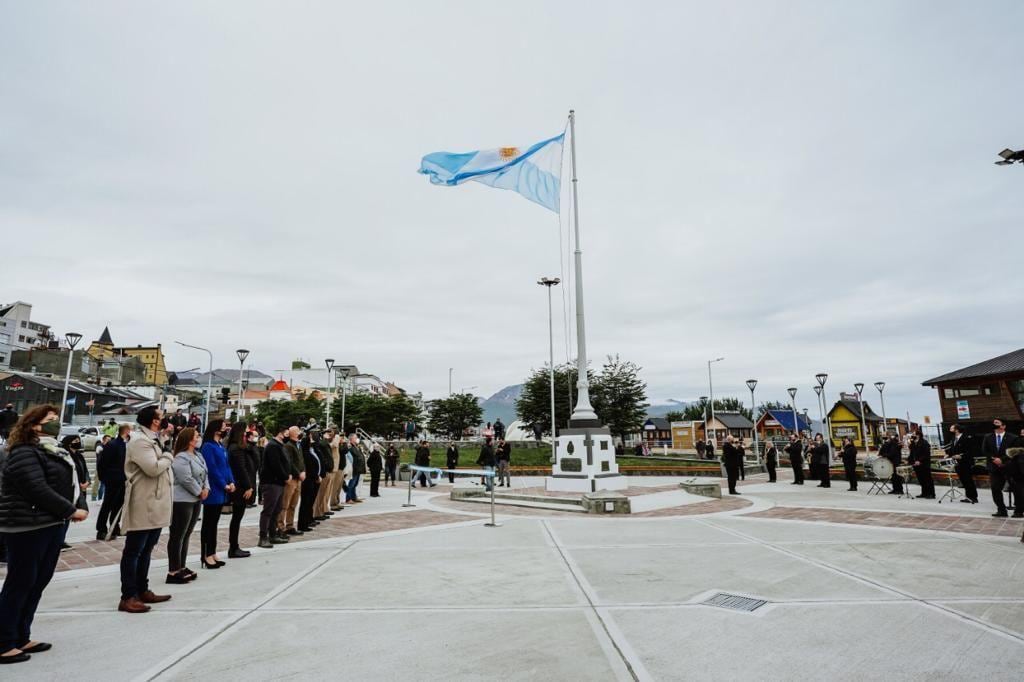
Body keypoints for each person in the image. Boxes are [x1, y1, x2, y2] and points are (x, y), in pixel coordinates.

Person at [0, 405, 89, 664]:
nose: (56, 424)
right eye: (51, 420)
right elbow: (35, 487)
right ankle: (3, 641)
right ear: (34, 425)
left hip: (50, 523)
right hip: (27, 526)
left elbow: (68, 483)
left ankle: (20, 635)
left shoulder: (52, 450)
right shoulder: (23, 452)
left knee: (37, 582)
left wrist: (79, 503)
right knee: (20, 583)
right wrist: (71, 510)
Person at [118, 405, 174, 613]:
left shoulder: (154, 439)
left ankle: (142, 589)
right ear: (154, 421)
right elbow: (152, 468)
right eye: (162, 417)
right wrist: (168, 455)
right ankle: (128, 595)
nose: (165, 419)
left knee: (147, 549)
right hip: (144, 501)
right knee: (134, 550)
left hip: (156, 501)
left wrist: (164, 448)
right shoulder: (140, 441)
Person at [166, 427, 207, 584]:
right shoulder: (181, 458)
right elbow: (185, 479)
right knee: (177, 535)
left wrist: (206, 489)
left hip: (196, 499)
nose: (199, 438)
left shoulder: (198, 455)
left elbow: (205, 474)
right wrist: (199, 491)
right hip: (182, 500)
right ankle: (173, 569)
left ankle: (182, 566)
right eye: (197, 436)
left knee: (186, 534)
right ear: (189, 440)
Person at [199, 419, 235, 568]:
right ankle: (206, 554)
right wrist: (223, 484)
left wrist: (232, 481)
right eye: (223, 427)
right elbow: (212, 469)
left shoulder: (221, 446)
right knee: (208, 523)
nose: (225, 429)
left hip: (223, 489)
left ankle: (212, 551)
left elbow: (226, 466)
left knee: (214, 523)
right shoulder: (208, 446)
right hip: (214, 489)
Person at [226, 422, 255, 559]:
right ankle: (233, 547)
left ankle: (234, 546)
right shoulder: (236, 448)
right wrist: (249, 486)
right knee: (237, 518)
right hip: (240, 488)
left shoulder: (236, 447)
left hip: (239, 486)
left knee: (237, 518)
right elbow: (241, 469)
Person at [257, 424, 290, 548]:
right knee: (268, 510)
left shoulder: (279, 446)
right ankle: (263, 537)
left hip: (279, 482)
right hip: (272, 482)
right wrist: (285, 476)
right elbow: (276, 465)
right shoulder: (272, 446)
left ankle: (273, 534)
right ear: (280, 433)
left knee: (276, 509)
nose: (288, 435)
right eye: (286, 432)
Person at [96, 423, 129, 540]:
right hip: (112, 480)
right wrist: (103, 478)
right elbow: (102, 463)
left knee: (118, 505)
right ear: (126, 432)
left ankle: (114, 527)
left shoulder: (125, 445)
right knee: (107, 505)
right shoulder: (113, 444)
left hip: (122, 480)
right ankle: (101, 529)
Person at [981, 418, 1020, 517]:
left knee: (1017, 489)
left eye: (997, 423)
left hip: (1010, 467)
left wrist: (1002, 460)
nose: (994, 424)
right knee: (995, 488)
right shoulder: (988, 437)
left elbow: (1015, 451)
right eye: (993, 423)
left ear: (1003, 426)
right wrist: (994, 459)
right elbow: (985, 450)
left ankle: (1019, 511)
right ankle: (1001, 510)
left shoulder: (1013, 438)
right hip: (994, 467)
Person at [278, 426, 305, 535]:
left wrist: (304, 471)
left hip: (299, 478)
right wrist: (298, 473)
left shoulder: (299, 445)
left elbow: (301, 460)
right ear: (292, 433)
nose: (300, 433)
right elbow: (290, 462)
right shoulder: (288, 446)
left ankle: (290, 525)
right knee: (285, 503)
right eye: (298, 431)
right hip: (292, 478)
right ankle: (280, 526)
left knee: (293, 504)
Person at [945, 424, 977, 504]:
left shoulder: (966, 438)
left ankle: (973, 497)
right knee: (963, 480)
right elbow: (952, 449)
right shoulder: (953, 438)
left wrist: (961, 456)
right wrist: (948, 454)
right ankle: (968, 496)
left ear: (956, 430)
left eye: (951, 428)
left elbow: (971, 450)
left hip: (965, 462)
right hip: (957, 463)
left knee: (968, 480)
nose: (949, 430)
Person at [298, 432, 322, 532]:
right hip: (308, 480)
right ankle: (302, 524)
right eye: (310, 441)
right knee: (305, 502)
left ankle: (307, 520)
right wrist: (316, 476)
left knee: (309, 502)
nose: (312, 442)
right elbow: (310, 467)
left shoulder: (311, 451)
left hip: (313, 480)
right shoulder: (305, 453)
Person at [312, 429, 335, 519]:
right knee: (320, 494)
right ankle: (317, 512)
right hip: (324, 470)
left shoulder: (325, 444)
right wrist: (324, 438)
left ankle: (321, 511)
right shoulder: (322, 443)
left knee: (323, 494)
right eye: (327, 433)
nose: (329, 435)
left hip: (328, 470)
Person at [907, 430, 934, 499]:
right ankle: (924, 493)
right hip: (916, 464)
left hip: (924, 464)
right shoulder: (913, 443)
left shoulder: (924, 442)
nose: (912, 435)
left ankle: (931, 494)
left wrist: (919, 461)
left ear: (918, 435)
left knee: (927, 479)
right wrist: (910, 461)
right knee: (921, 479)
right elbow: (912, 453)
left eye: (913, 434)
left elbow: (926, 454)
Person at [346, 434, 366, 503]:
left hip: (359, 468)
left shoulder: (356, 446)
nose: (357, 439)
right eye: (355, 438)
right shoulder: (350, 447)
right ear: (351, 439)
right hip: (354, 468)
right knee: (352, 484)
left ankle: (353, 497)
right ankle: (348, 498)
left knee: (355, 484)